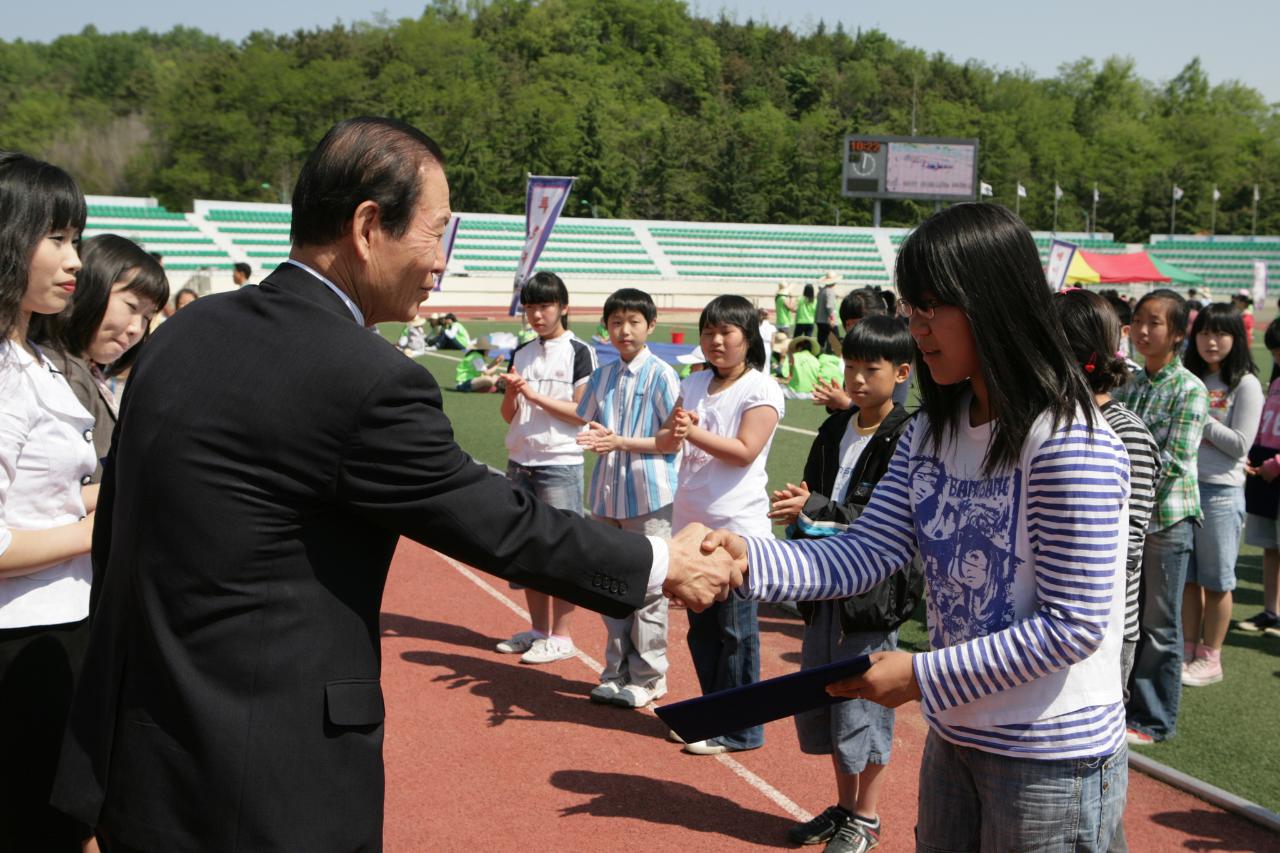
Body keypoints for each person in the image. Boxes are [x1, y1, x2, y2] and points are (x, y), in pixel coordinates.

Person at [50, 117, 741, 852]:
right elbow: (498, 521)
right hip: (275, 789)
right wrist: (663, 563)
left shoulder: (179, 337)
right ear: (368, 225)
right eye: (437, 232)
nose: (442, 261)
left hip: (144, 760)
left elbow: (122, 539)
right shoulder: (366, 377)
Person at [707, 203, 1131, 850]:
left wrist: (920, 675)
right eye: (912, 305)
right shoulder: (931, 429)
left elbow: (1071, 624)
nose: (916, 325)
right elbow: (866, 551)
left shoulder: (1070, 442)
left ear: (995, 301)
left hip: (1053, 759)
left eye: (934, 305)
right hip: (957, 738)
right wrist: (746, 560)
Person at [768, 316, 920, 853]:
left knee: (868, 705)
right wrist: (798, 506)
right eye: (850, 366)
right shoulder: (836, 426)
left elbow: (880, 515)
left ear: (901, 372)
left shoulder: (908, 434)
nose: (856, 379)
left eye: (869, 369)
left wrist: (812, 508)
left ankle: (870, 818)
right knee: (828, 699)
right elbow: (814, 491)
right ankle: (845, 806)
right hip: (824, 585)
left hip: (873, 595)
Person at [0, 151, 96, 851]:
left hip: (64, 628)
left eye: (77, 240)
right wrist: (108, 522)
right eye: (57, 238)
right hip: (20, 643)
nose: (75, 260)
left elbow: (60, 486)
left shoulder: (33, 357)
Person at [657, 294, 784, 756]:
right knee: (701, 629)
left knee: (735, 632)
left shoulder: (761, 389)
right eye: (708, 331)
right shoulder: (692, 384)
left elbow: (746, 449)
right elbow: (673, 443)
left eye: (726, 332)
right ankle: (713, 715)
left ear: (747, 338)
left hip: (736, 528)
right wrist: (674, 431)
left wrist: (693, 432)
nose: (716, 340)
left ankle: (742, 727)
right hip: (692, 524)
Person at [1052, 289, 1161, 713]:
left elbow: (1125, 552)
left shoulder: (1122, 431)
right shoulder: (1050, 422)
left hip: (1100, 630)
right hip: (1051, 625)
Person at [576, 288, 681, 709]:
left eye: (634, 322)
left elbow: (673, 442)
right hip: (606, 495)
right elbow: (587, 421)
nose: (624, 330)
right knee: (609, 587)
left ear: (650, 326)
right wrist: (592, 437)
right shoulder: (601, 376)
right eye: (617, 322)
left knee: (650, 590)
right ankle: (615, 672)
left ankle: (650, 676)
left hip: (649, 496)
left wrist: (617, 440)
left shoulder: (661, 374)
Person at [1114, 288, 1208, 745]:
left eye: (1155, 323)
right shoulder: (1131, 383)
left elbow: (1173, 463)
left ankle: (1153, 719)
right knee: (1131, 615)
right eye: (1139, 321)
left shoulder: (1189, 389)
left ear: (1177, 334)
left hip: (1165, 521)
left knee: (1159, 623)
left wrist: (1125, 499)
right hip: (1132, 518)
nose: (1143, 331)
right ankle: (1126, 706)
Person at [496, 271, 595, 664]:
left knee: (561, 551)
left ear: (563, 308)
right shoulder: (521, 352)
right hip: (520, 460)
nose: (537, 314)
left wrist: (533, 395)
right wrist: (510, 392)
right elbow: (509, 416)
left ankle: (563, 636)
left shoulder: (579, 351)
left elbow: (581, 414)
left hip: (559, 463)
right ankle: (538, 631)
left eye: (545, 306)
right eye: (531, 307)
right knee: (527, 551)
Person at [31, 234, 168, 483]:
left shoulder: (83, 369)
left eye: (147, 317)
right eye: (132, 306)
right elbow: (58, 493)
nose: (137, 328)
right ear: (91, 290)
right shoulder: (61, 374)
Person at [1181, 304, 1261, 687]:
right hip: (1185, 487)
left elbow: (1240, 445)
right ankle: (1186, 648)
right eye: (1204, 333)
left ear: (1236, 337)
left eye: (1221, 333)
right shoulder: (1190, 376)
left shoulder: (1245, 383)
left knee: (1216, 581)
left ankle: (1211, 657)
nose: (1211, 342)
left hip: (1221, 493)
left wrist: (1201, 417)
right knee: (1189, 580)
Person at [1240, 317, 1280, 638]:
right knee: (1270, 546)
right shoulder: (1276, 383)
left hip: (1274, 468)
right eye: (1275, 352)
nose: (1277, 358)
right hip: (1264, 470)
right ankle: (1271, 612)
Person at [815, 272, 842, 354]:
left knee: (821, 341)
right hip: (827, 320)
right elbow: (829, 306)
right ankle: (834, 356)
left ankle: (819, 355)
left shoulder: (821, 291)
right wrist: (832, 318)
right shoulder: (830, 291)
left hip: (820, 319)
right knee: (835, 341)